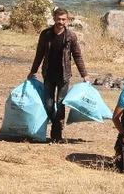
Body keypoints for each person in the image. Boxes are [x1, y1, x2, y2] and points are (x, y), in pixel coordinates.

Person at [27, 7, 88, 143]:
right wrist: (33, 71)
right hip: (48, 74)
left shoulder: (71, 36)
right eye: (58, 19)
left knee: (60, 103)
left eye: (63, 19)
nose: (61, 22)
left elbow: (77, 55)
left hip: (64, 76)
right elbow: (39, 54)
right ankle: (56, 124)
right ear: (54, 18)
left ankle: (57, 133)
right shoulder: (46, 34)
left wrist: (84, 74)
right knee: (48, 104)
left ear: (67, 20)